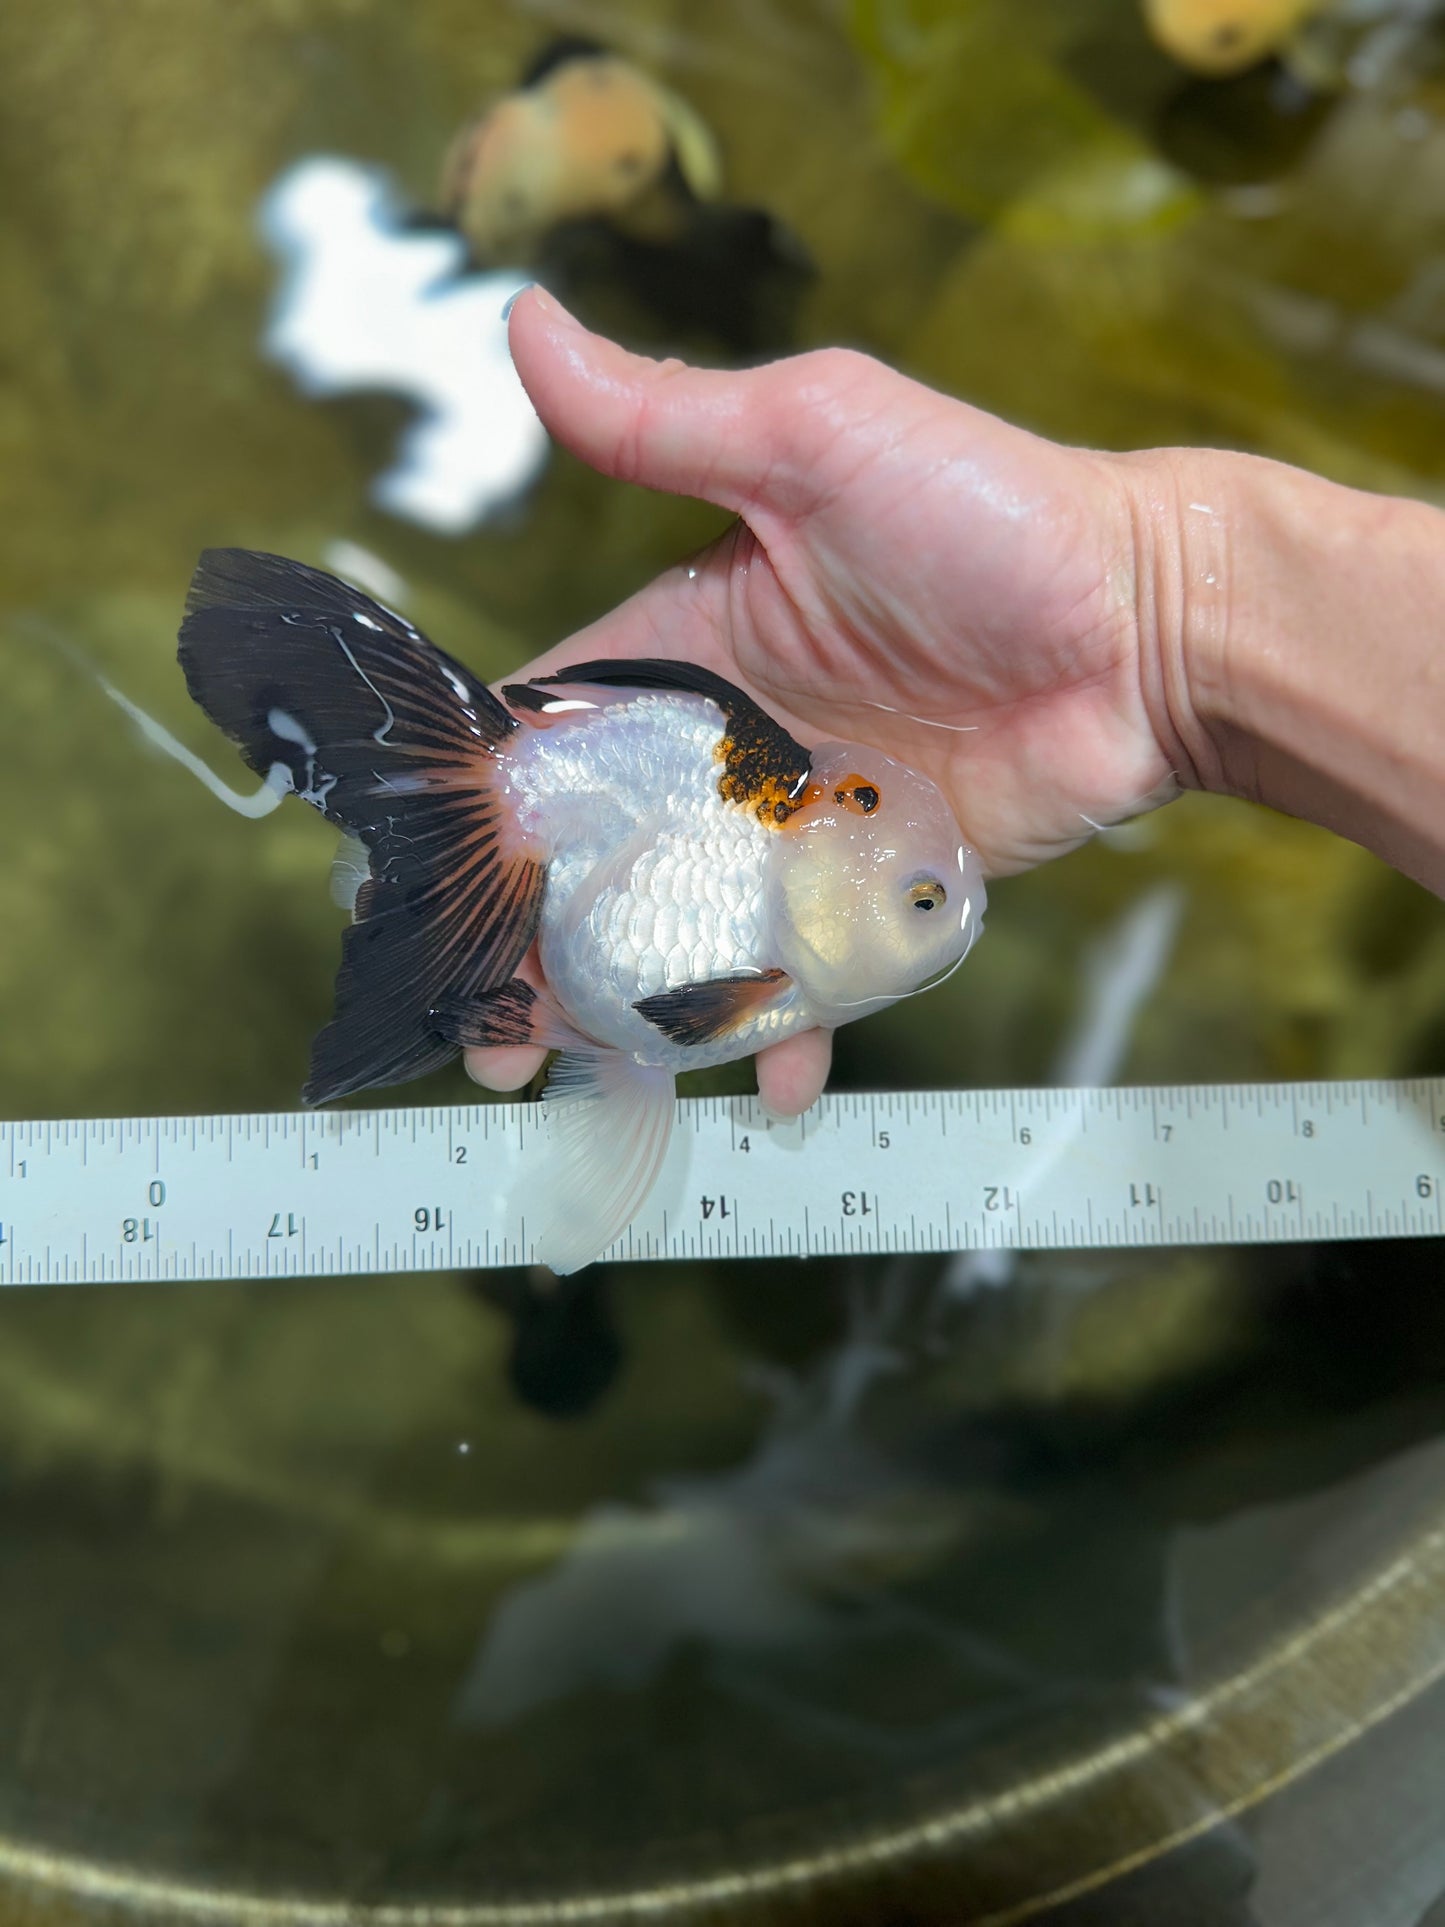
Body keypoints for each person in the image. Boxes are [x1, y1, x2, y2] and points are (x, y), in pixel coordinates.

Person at [466, 285, 1445, 1114]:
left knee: (515, 1003)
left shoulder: (782, 897)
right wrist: (1154, 630)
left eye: (927, 896)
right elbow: (675, 1020)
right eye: (924, 899)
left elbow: (669, 1020)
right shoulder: (773, 888)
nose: (955, 910)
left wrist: (1155, 625)